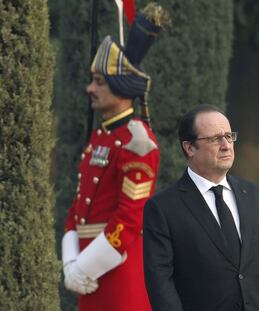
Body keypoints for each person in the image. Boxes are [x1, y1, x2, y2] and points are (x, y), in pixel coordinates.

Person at [61, 3, 168, 310]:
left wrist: (84, 267)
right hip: (87, 269)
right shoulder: (101, 137)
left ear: (122, 88)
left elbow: (130, 218)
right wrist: (70, 261)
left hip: (116, 272)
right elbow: (78, 208)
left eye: (100, 82)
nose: (89, 88)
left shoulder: (137, 143)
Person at [143, 105, 259, 311]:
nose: (226, 145)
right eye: (214, 138)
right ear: (189, 148)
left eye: (229, 136)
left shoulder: (254, 195)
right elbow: (161, 287)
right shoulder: (163, 208)